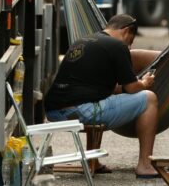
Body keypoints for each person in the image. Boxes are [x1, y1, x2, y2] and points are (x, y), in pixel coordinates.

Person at [45, 14, 160, 178]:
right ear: (126, 31)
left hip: (54, 112)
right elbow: (133, 88)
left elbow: (107, 90)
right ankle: (145, 165)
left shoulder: (83, 41)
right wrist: (144, 83)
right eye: (130, 41)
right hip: (81, 112)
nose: (129, 46)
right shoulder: (117, 47)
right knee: (149, 99)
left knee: (99, 100)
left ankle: (93, 160)